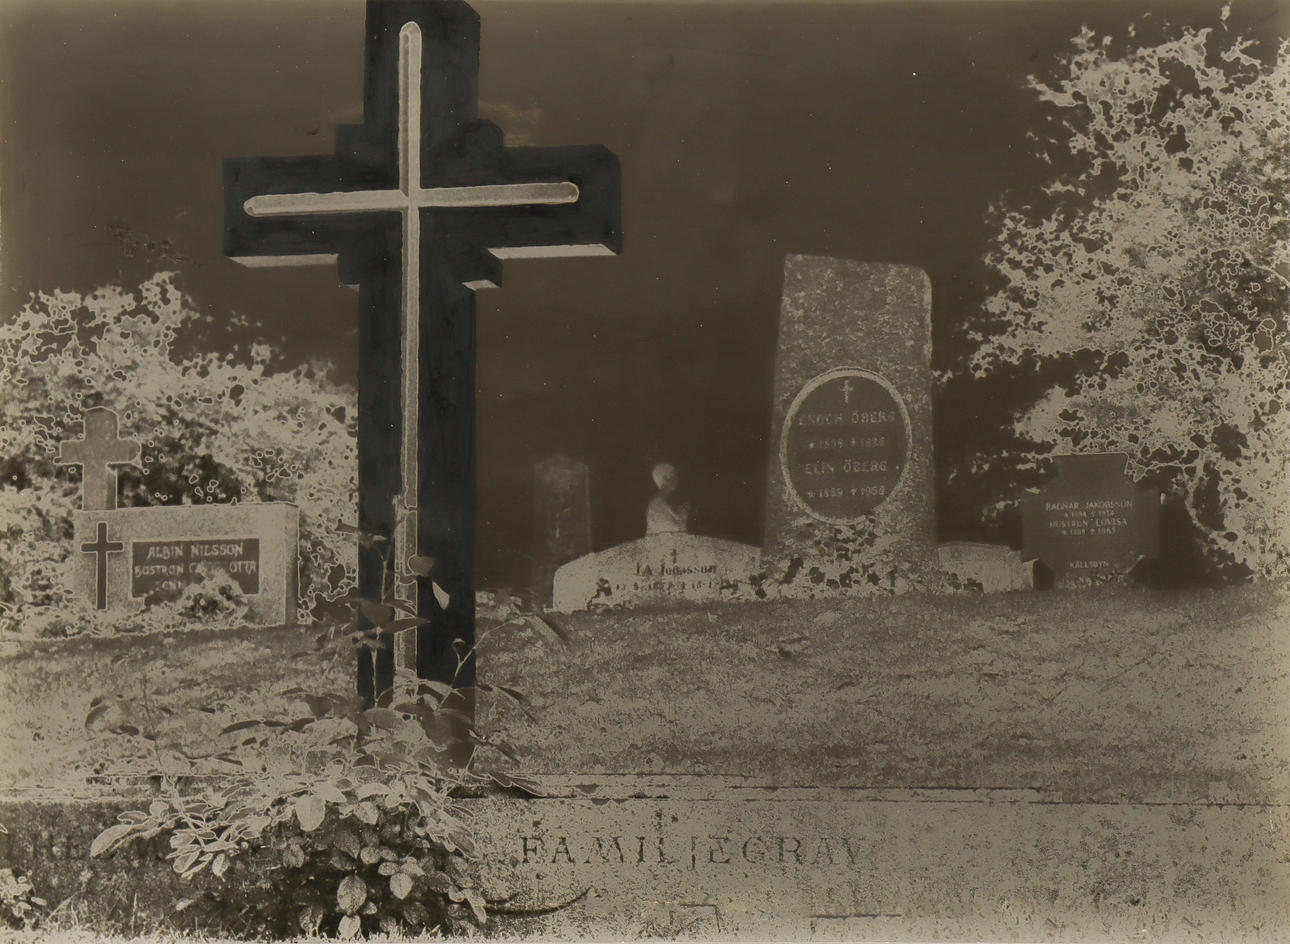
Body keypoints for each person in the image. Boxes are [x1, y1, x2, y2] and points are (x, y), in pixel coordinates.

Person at [646, 462, 690, 534]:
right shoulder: (657, 504)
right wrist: (684, 513)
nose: (677, 478)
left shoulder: (663, 501)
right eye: (674, 474)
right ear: (666, 478)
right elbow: (673, 531)